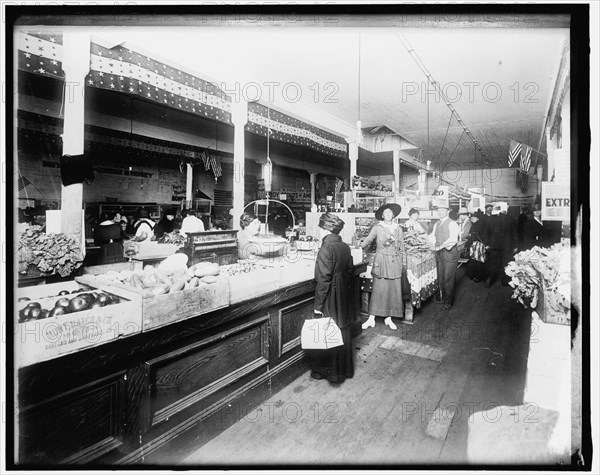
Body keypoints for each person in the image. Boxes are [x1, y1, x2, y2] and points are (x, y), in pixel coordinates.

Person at [310, 212, 354, 384]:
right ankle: (344, 370)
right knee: (342, 329)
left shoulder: (326, 248)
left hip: (330, 295)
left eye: (320, 228)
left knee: (328, 332)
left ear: (325, 229)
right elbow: (349, 269)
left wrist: (317, 306)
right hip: (343, 292)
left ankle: (327, 372)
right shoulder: (344, 246)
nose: (319, 231)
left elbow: (323, 279)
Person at [360, 203, 405, 330]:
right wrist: (359, 247)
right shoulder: (378, 227)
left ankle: (389, 318)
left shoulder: (398, 229)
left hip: (395, 262)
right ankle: (371, 318)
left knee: (393, 290)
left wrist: (402, 264)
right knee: (378, 290)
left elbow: (402, 248)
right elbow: (368, 239)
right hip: (381, 261)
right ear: (382, 215)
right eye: (385, 213)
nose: (388, 215)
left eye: (390, 212)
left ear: (393, 215)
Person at [429, 204, 461, 310]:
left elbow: (452, 240)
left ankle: (448, 302)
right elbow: (433, 237)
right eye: (438, 210)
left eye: (442, 210)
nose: (440, 212)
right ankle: (442, 298)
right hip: (439, 253)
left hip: (450, 253)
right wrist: (428, 242)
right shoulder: (437, 223)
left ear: (447, 211)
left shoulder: (452, 224)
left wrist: (439, 247)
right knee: (441, 276)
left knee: (448, 278)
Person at [484, 201, 517, 287]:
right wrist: (515, 246)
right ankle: (505, 281)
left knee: (493, 263)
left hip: (493, 245)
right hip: (507, 245)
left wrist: (487, 244)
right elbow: (514, 233)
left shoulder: (490, 219)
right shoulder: (510, 218)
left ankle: (490, 279)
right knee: (505, 263)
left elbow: (486, 232)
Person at [465, 210, 488, 282]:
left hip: (478, 245)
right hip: (478, 245)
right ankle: (477, 276)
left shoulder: (478, 224)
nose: (471, 219)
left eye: (472, 218)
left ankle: (477, 276)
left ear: (477, 218)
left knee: (477, 261)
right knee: (478, 261)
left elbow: (476, 234)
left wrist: (470, 235)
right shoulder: (479, 223)